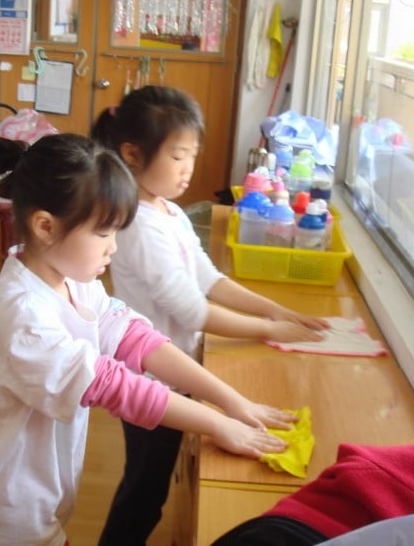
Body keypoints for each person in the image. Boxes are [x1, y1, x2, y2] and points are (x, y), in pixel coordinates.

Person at [0, 134, 296, 546]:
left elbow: (136, 339)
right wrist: (217, 424)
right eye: (104, 233)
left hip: (36, 489)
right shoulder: (22, 317)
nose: (114, 247)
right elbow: (114, 385)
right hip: (3, 499)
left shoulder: (71, 280)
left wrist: (231, 400)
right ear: (46, 226)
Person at [91, 85, 329, 545]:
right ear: (132, 154)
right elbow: (194, 310)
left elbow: (209, 278)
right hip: (152, 378)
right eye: (178, 157)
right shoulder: (139, 225)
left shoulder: (170, 213)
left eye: (192, 156)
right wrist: (268, 328)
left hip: (177, 369)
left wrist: (275, 309)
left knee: (148, 486)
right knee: (144, 490)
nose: (188, 169)